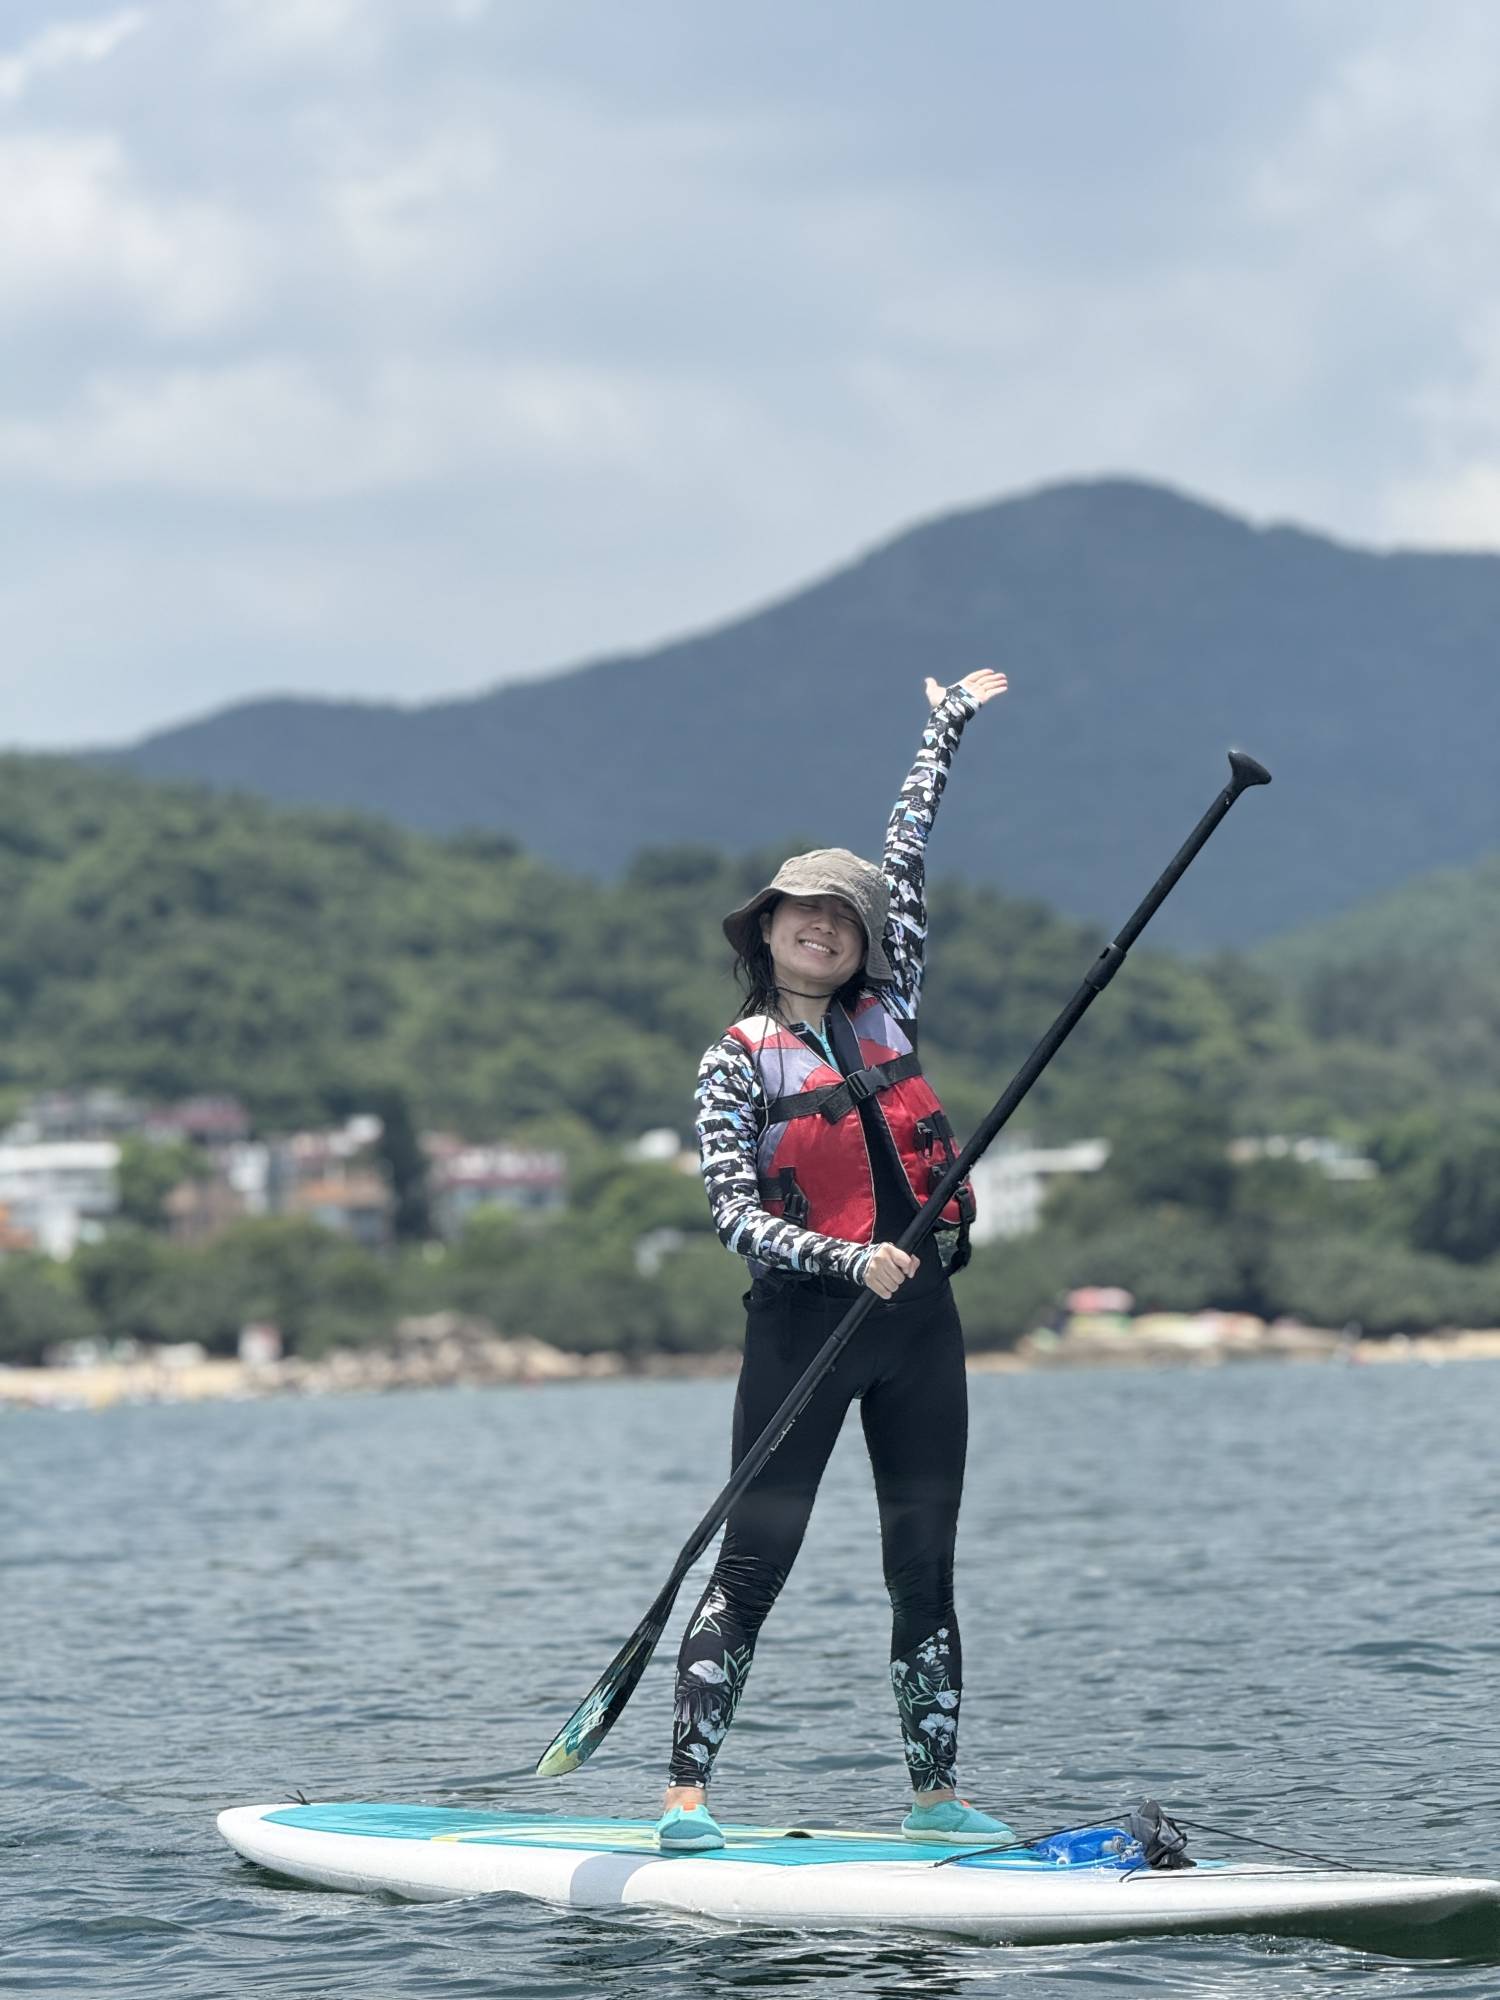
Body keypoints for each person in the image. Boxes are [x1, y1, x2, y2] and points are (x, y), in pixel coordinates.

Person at [656, 669, 1014, 1854]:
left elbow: (905, 852)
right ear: (765, 927)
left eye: (843, 915)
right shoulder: (735, 1061)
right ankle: (687, 1800)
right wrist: (844, 1256)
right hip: (807, 1331)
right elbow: (731, 1213)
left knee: (925, 1559)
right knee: (759, 1557)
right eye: (802, 909)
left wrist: (942, 725)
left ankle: (935, 1797)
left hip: (918, 1331)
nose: (825, 923)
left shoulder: (889, 1007)